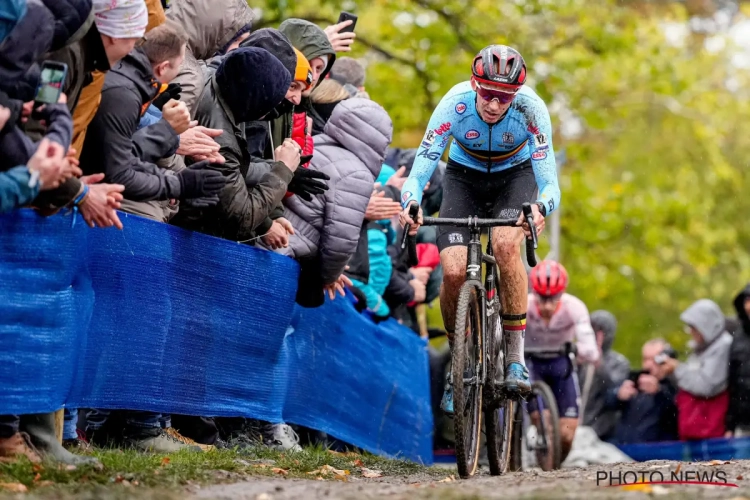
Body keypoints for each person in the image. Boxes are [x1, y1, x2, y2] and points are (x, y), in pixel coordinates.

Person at [399, 45, 561, 399]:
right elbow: (420, 169)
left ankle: (515, 359)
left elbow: (549, 183)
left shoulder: (531, 110)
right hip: (464, 177)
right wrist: (409, 201)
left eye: (503, 98)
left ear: (515, 94)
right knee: (454, 271)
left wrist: (540, 208)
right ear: (474, 85)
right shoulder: (453, 105)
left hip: (514, 178)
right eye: (487, 94)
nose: (493, 104)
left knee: (505, 245)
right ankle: (459, 365)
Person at [80, 22, 225, 207]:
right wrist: (178, 184)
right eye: (179, 65)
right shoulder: (124, 95)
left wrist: (175, 179)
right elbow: (117, 173)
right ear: (163, 68)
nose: (179, 71)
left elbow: (121, 155)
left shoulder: (131, 84)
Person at [269, 98, 393, 308]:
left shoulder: (314, 145)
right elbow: (341, 240)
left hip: (272, 240)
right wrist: (328, 277)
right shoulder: (356, 175)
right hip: (289, 255)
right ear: (377, 140)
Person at [171, 47, 298, 240]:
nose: (269, 112)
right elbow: (240, 218)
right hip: (187, 235)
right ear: (253, 99)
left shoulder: (210, 79)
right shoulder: (221, 140)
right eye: (269, 103)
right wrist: (283, 170)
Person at [524, 261, 599, 461]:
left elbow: (592, 351)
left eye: (553, 298)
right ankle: (540, 451)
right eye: (542, 297)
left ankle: (555, 465)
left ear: (562, 293)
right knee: (543, 421)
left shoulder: (574, 306)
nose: (547, 305)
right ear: (534, 292)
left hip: (561, 364)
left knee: (566, 435)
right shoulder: (524, 303)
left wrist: (577, 348)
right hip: (532, 363)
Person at [658, 299, 732, 440]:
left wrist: (677, 368)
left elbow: (705, 386)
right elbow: (691, 381)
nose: (690, 331)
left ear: (706, 325)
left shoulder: (722, 346)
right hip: (697, 428)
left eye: (694, 327)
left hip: (711, 430)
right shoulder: (704, 347)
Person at [164, 0, 254, 114]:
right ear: (214, 32)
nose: (240, 49)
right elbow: (169, 129)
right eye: (237, 40)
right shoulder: (190, 77)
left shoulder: (148, 38)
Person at [608, 339, 678, 445]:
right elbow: (606, 401)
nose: (649, 365)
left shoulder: (674, 383)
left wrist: (659, 392)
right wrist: (618, 395)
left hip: (658, 450)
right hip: (627, 448)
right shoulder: (634, 379)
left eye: (654, 359)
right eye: (645, 359)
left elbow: (675, 414)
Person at [580, 310, 630, 442]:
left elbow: (613, 390)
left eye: (599, 330)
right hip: (576, 427)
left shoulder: (619, 362)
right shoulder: (580, 360)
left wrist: (599, 362)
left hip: (603, 432)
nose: (596, 335)